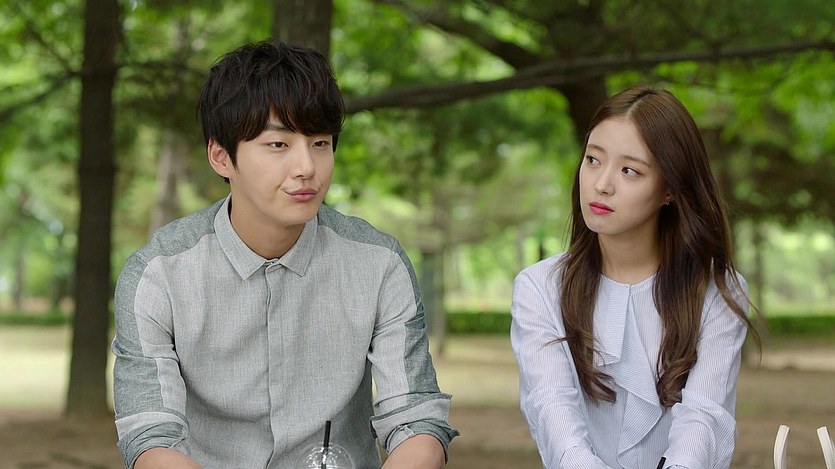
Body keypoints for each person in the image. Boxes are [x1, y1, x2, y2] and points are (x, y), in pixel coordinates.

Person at [111, 39, 458, 469]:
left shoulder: (378, 264)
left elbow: (416, 420)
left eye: (320, 143)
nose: (307, 168)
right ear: (221, 157)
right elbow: (150, 437)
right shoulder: (158, 275)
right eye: (278, 144)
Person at [510, 85, 758, 469]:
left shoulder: (716, 290)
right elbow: (552, 409)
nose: (602, 184)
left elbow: (703, 417)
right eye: (593, 160)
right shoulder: (541, 287)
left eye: (629, 170)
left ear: (669, 189)